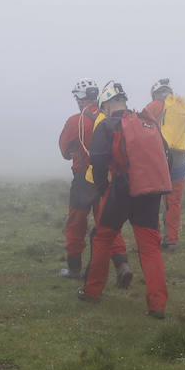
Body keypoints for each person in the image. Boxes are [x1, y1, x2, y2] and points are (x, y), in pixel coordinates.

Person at [78, 81, 170, 318]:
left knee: (103, 238)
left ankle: (92, 291)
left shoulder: (108, 125)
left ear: (107, 105)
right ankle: (157, 306)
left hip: (121, 191)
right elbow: (165, 154)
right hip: (150, 192)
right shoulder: (147, 121)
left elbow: (97, 162)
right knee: (150, 247)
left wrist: (100, 188)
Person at [57, 79, 133, 286]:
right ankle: (122, 265)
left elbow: (65, 150)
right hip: (109, 178)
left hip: (83, 179)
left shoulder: (76, 120)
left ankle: (74, 269)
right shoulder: (109, 117)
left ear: (80, 99)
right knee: (108, 224)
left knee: (76, 223)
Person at [144, 79, 185, 250]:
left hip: (157, 157)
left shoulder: (153, 106)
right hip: (180, 159)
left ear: (155, 93)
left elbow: (142, 130)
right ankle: (172, 240)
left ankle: (153, 238)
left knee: (152, 199)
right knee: (173, 202)